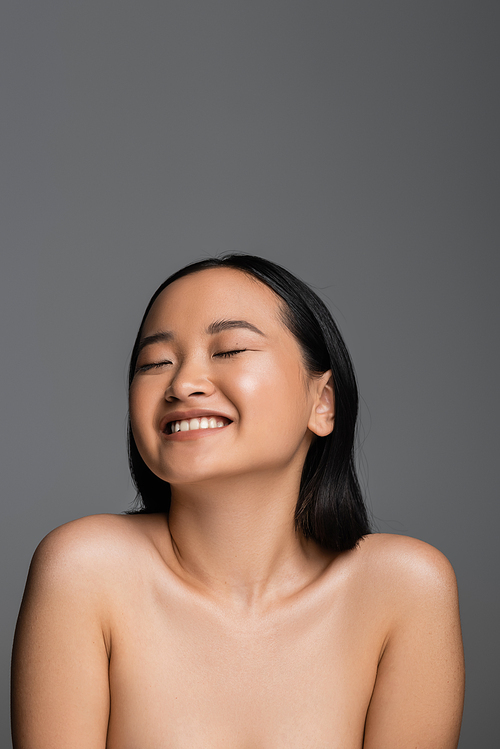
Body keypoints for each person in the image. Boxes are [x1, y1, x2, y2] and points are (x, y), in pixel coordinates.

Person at [11, 254, 464, 748]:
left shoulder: (405, 588)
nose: (182, 384)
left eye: (229, 350)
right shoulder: (84, 568)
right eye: (155, 363)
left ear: (323, 402)